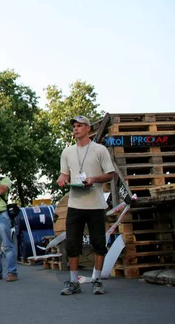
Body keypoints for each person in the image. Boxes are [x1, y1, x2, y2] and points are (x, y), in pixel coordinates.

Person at [57, 115, 115, 296]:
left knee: (98, 243)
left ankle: (97, 279)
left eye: (80, 125)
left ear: (88, 129)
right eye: (74, 126)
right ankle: (74, 281)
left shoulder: (100, 150)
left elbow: (111, 174)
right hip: (75, 204)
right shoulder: (67, 152)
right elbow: (64, 175)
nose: (76, 128)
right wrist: (62, 179)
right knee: (72, 243)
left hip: (96, 205)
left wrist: (94, 179)